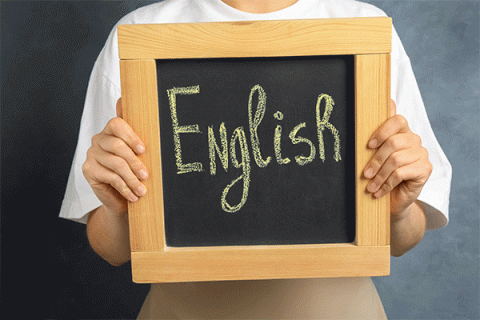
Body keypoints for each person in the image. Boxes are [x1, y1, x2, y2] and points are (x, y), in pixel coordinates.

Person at [60, 0, 452, 318]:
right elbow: (111, 249)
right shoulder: (140, 36)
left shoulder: (362, 28)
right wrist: (116, 207)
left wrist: (398, 212)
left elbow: (402, 240)